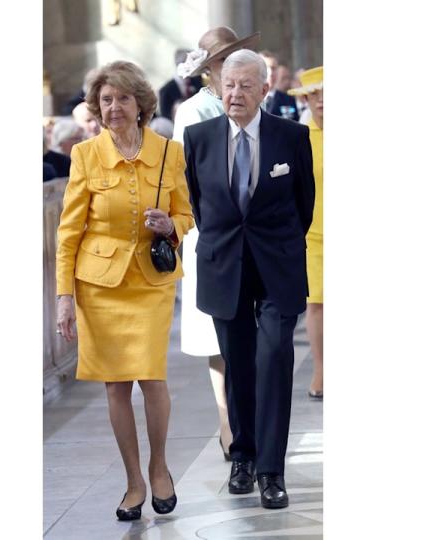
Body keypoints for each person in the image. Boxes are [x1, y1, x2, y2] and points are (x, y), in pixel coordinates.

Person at [55, 60, 194, 521]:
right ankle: (133, 480)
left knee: (152, 378)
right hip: (99, 287)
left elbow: (187, 216)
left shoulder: (169, 152)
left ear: (141, 104)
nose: (113, 108)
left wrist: (170, 224)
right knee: (117, 386)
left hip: (151, 285)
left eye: (122, 99)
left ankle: (159, 467)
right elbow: (69, 232)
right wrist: (63, 296)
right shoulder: (85, 154)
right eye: (105, 100)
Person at [182, 49, 314, 510]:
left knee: (275, 358)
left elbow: (304, 203)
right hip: (225, 266)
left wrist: (274, 245)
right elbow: (201, 206)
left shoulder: (291, 137)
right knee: (238, 364)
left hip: (277, 265)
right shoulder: (198, 138)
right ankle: (243, 456)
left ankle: (271, 472)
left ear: (263, 89)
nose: (234, 94)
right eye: (228, 85)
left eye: (244, 86)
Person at [172, 25, 261, 463]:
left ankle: (249, 418)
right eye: (224, 59)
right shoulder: (194, 111)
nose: (231, 65)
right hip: (212, 233)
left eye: (238, 55)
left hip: (252, 234)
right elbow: (186, 178)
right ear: (209, 68)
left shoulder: (253, 100)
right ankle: (227, 420)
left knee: (250, 334)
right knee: (216, 334)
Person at [288, 66, 324, 399]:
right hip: (313, 231)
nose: (323, 101)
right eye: (315, 95)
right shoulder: (300, 134)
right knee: (316, 303)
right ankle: (321, 369)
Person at [158, 49, 203, 119]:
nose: (193, 65)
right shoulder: (165, 91)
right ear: (180, 64)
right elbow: (165, 117)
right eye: (190, 62)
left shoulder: (197, 79)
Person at [258, 51, 300, 121]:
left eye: (273, 68)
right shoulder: (251, 98)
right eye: (265, 67)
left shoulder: (288, 100)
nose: (271, 73)